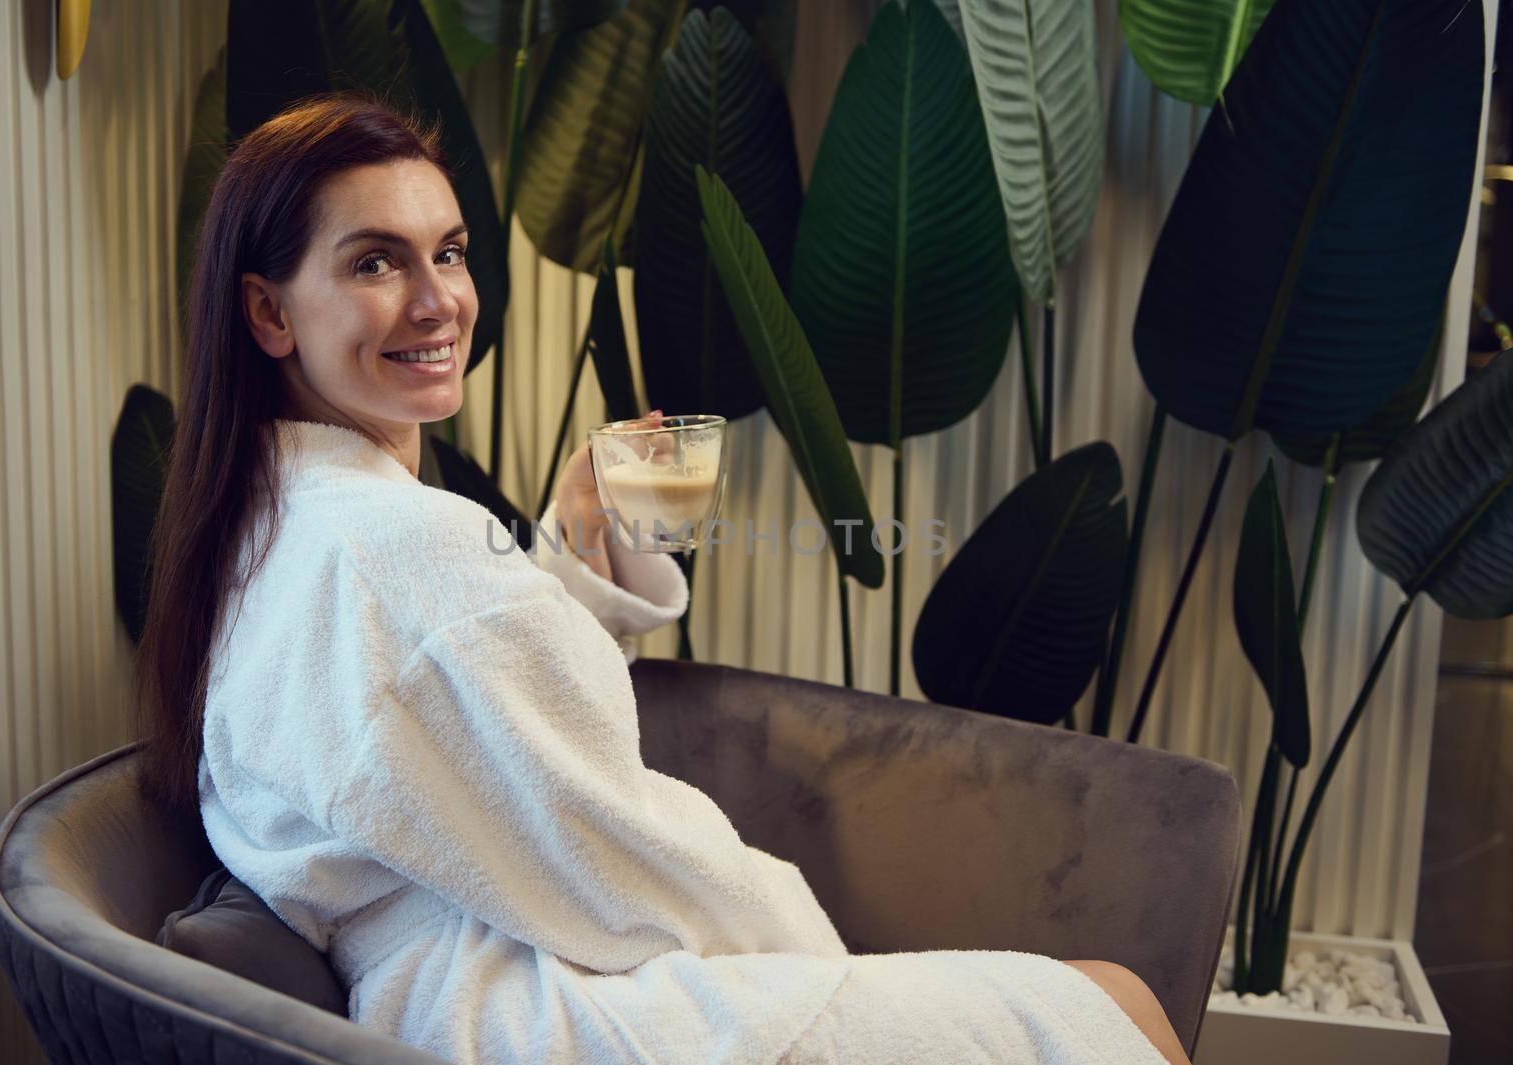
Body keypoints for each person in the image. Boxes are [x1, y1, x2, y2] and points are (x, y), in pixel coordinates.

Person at [132, 91, 1189, 1065]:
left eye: (448, 253)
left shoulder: (269, 528)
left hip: (432, 1004)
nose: (437, 301)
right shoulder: (399, 550)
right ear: (269, 313)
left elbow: (438, 751)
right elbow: (610, 861)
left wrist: (571, 541)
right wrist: (802, 957)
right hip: (550, 1013)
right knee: (1109, 1003)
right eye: (374, 263)